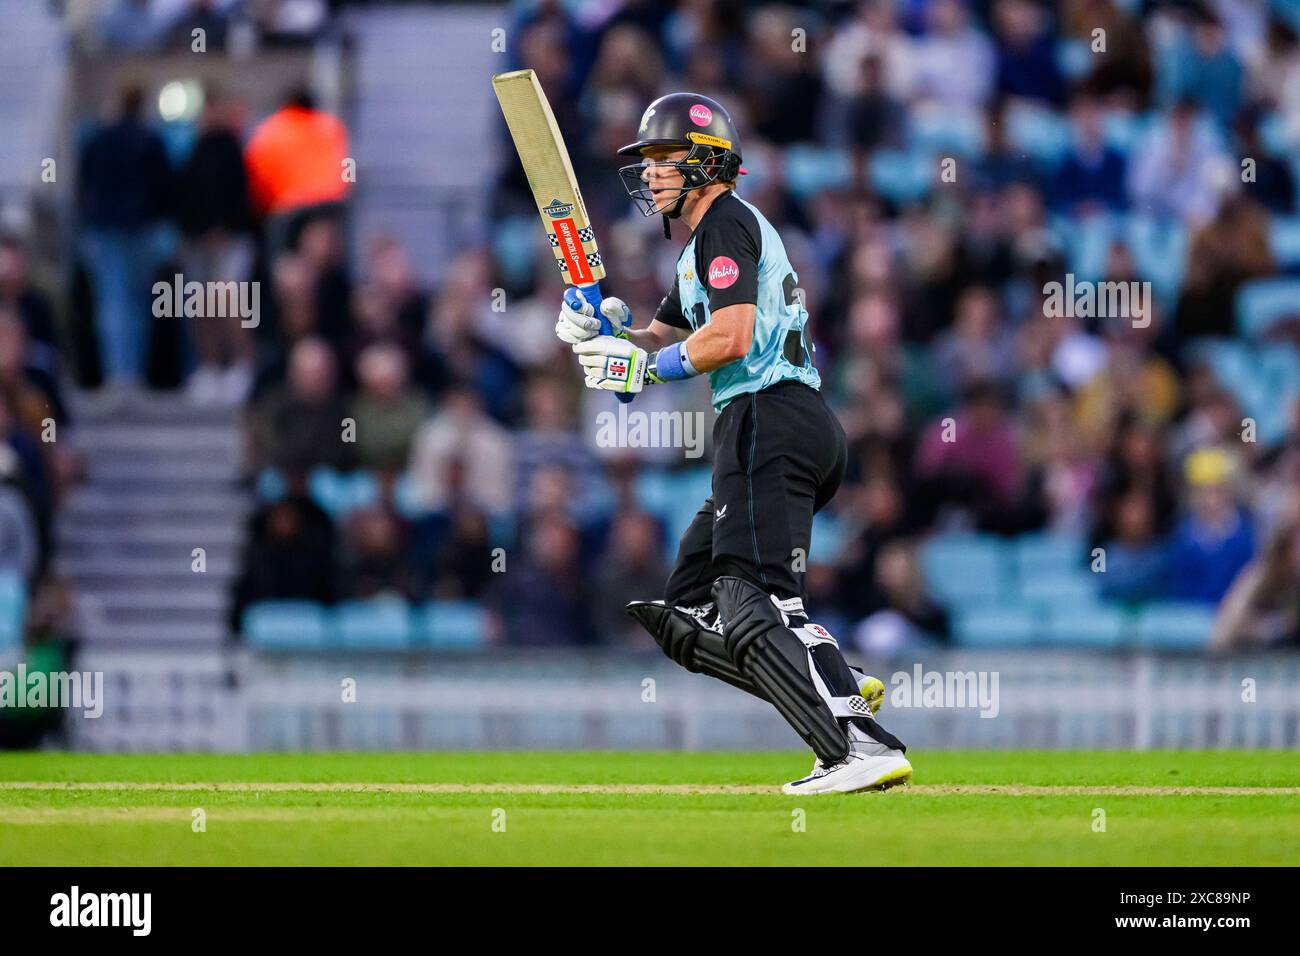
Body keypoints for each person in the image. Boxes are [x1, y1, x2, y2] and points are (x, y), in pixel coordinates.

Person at [555, 93, 908, 794]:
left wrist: (647, 365)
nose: (651, 174)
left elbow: (730, 337)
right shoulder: (700, 249)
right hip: (775, 425)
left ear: (709, 162)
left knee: (760, 603)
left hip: (767, 419)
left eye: (665, 159)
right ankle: (829, 675)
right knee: (688, 611)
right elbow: (650, 350)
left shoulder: (725, 224)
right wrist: (601, 337)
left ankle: (856, 747)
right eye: (646, 162)